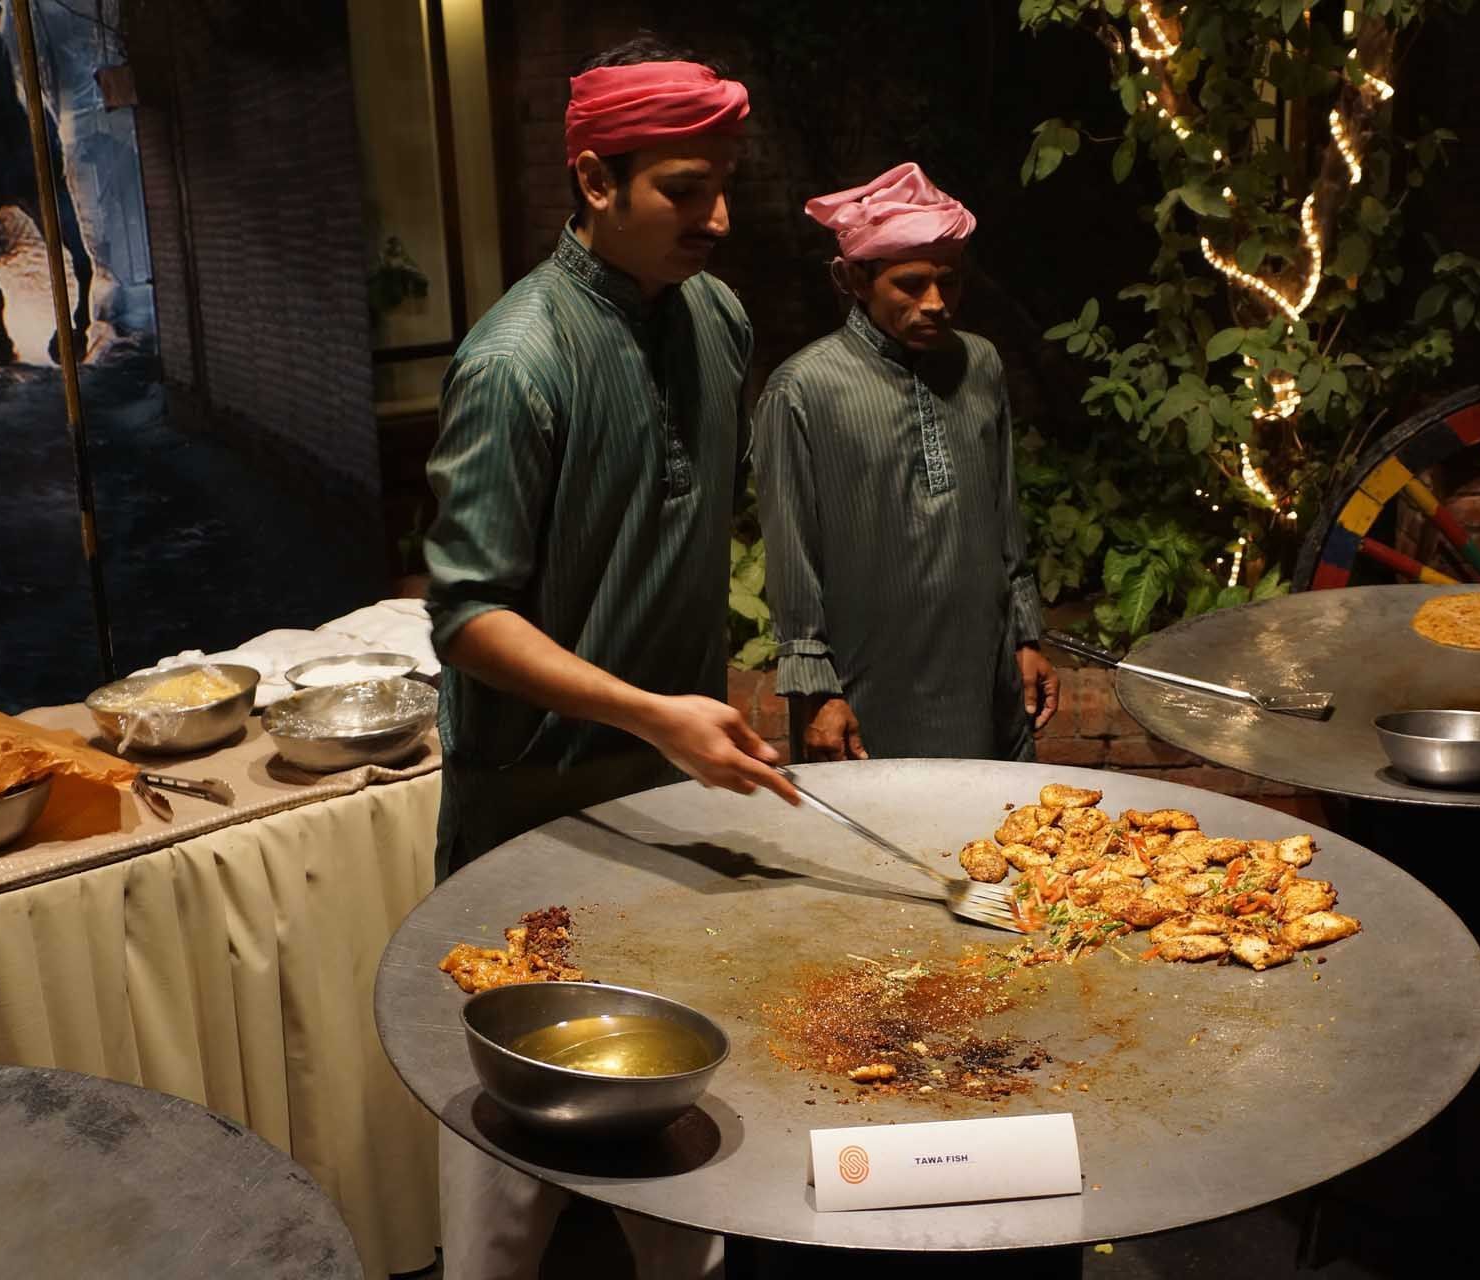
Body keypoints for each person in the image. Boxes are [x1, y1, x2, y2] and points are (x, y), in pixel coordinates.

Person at [422, 37, 794, 1279]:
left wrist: (706, 702)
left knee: (686, 1152)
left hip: (665, 804)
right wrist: (652, 709)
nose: (720, 216)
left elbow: (683, 538)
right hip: (527, 814)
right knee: (505, 1173)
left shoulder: (718, 321)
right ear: (594, 180)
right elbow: (468, 617)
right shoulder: (514, 361)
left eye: (726, 182)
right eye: (686, 188)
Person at [753, 162, 1059, 764]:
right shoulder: (802, 389)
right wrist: (817, 691)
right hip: (869, 685)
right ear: (854, 279)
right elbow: (793, 554)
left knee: (997, 830)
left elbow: (1004, 512)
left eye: (949, 282)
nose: (936, 303)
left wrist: (1025, 635)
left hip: (984, 672)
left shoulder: (981, 364)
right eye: (912, 284)